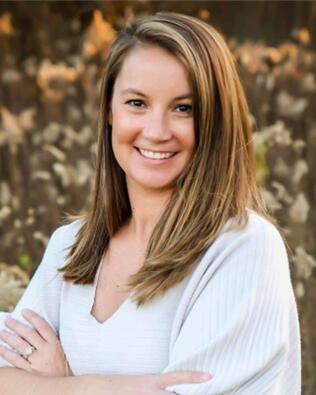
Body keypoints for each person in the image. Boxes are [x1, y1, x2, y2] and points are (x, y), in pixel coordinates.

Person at [0, 11, 301, 395]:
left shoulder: (242, 248)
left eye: (183, 108)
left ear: (215, 121)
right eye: (137, 103)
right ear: (109, 111)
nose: (156, 132)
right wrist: (105, 388)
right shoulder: (69, 248)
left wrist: (58, 383)